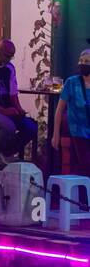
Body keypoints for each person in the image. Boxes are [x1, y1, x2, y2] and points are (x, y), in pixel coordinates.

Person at [54, 48, 90, 177]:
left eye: (86, 61)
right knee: (85, 164)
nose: (82, 64)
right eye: (81, 61)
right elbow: (59, 110)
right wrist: (56, 134)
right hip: (77, 130)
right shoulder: (72, 82)